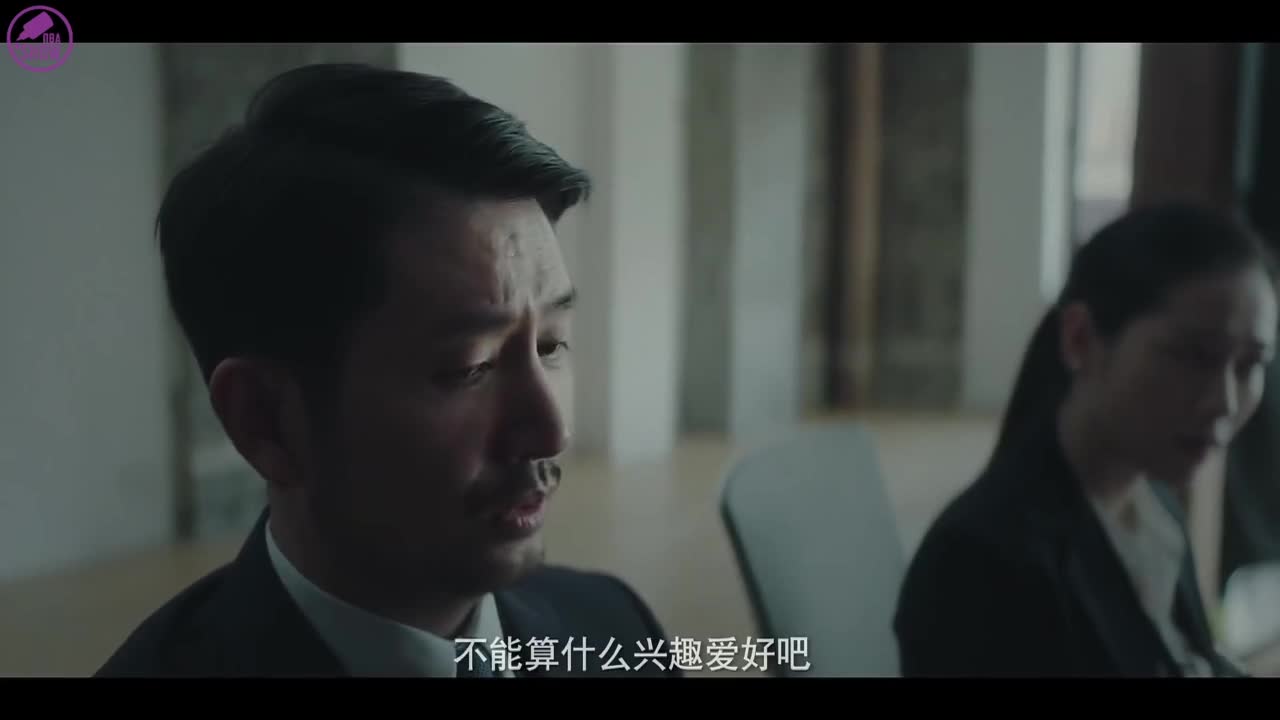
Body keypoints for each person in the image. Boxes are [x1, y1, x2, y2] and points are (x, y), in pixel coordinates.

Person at [97, 63, 678, 678]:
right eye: (472, 366)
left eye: (551, 344)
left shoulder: (614, 626)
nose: (551, 430)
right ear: (265, 420)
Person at [893, 202, 1278, 677]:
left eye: (1250, 364)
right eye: (1193, 356)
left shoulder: (1150, 506)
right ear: (1080, 339)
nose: (1224, 400)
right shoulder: (980, 563)